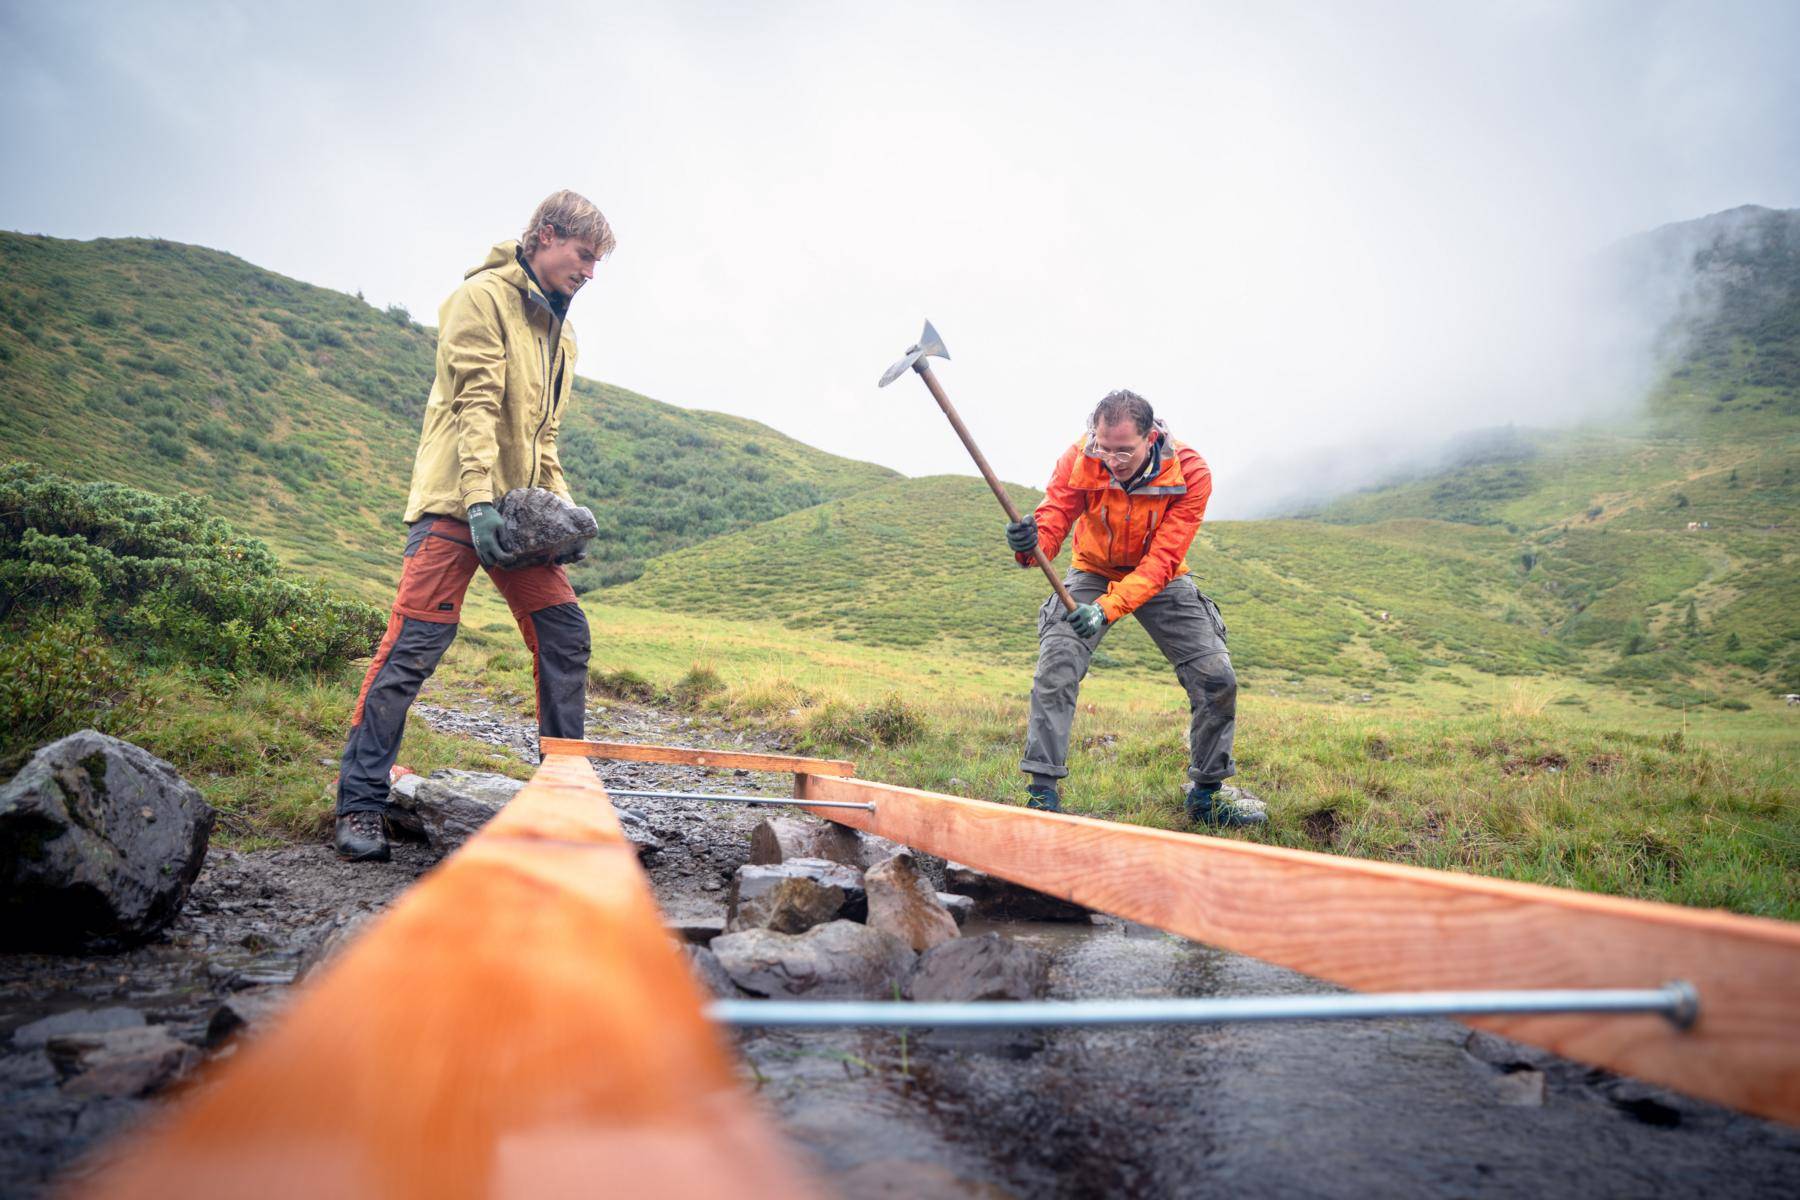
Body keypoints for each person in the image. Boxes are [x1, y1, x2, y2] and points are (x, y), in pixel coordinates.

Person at [333, 190, 615, 861]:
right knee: (413, 648)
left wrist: (563, 514)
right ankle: (360, 803)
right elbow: (475, 409)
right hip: (455, 506)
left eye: (598, 261)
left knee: (565, 635)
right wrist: (479, 504)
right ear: (546, 236)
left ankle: (563, 798)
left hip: (516, 518)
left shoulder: (562, 333)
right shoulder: (480, 299)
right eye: (583, 255)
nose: (591, 272)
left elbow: (543, 439)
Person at [1005, 389, 1263, 827]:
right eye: (1103, 447)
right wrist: (1031, 547)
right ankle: (1041, 796)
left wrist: (1106, 610)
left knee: (1215, 676)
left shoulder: (1190, 471)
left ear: (1151, 436)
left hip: (1160, 576)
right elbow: (1053, 519)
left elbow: (1162, 560)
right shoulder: (1079, 458)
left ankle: (1206, 797)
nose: (1111, 459)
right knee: (1057, 665)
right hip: (1092, 570)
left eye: (1123, 450)